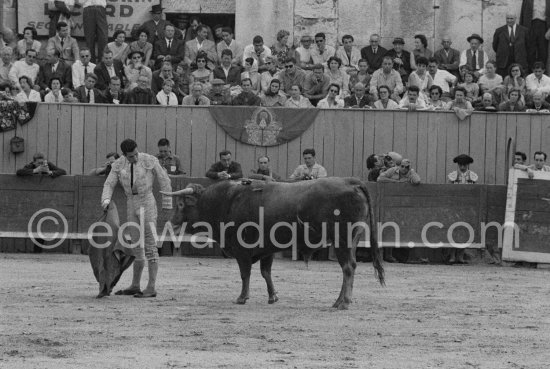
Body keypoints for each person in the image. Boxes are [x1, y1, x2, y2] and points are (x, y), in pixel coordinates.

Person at [101, 138, 173, 298]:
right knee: (136, 246)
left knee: (150, 244)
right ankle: (135, 285)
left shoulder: (149, 160)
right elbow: (109, 184)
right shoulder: (119, 164)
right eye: (130, 156)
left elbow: (164, 180)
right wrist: (105, 200)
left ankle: (151, 286)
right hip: (130, 203)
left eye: (135, 154)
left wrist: (167, 204)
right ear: (124, 155)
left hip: (147, 201)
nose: (134, 158)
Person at [446, 154, 478, 264]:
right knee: (453, 230)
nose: (463, 167)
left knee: (465, 231)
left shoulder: (473, 176)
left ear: (468, 165)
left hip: (467, 207)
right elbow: (448, 191)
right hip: (455, 206)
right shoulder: (452, 175)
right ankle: (452, 256)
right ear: (458, 164)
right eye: (460, 165)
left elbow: (474, 191)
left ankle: (460, 256)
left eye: (464, 165)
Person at [519, 0, 550, 70]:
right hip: (530, 26)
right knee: (530, 51)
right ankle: (531, 73)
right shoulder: (527, 1)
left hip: (544, 27)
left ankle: (542, 73)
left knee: (543, 52)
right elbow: (522, 14)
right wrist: (521, 30)